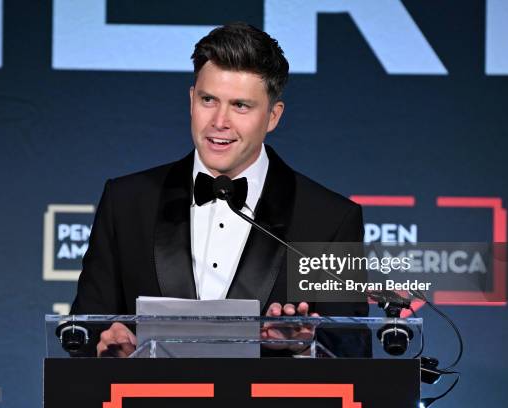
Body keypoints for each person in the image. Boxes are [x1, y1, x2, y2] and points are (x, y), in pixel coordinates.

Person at [70, 22, 368, 357]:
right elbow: (84, 329)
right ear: (191, 100)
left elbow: (352, 350)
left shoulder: (329, 219)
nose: (219, 121)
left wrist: (304, 345)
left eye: (240, 105)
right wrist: (108, 347)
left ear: (273, 116)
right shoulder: (126, 201)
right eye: (208, 99)